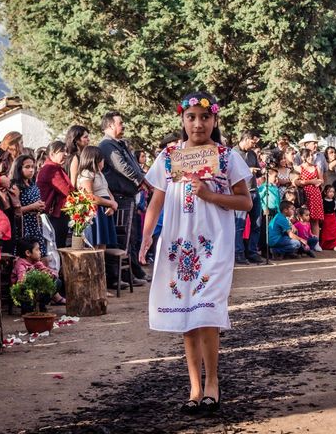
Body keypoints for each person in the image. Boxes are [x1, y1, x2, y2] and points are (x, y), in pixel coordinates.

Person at [138, 91, 252, 414]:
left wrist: (211, 195)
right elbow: (157, 200)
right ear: (182, 120)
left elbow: (246, 201)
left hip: (213, 245)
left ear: (214, 119)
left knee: (207, 313)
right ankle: (194, 386)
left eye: (204, 117)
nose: (198, 123)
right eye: (191, 117)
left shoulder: (227, 157)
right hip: (178, 242)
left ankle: (213, 381)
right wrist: (147, 236)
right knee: (187, 315)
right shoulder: (170, 155)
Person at [99, 112, 150, 283]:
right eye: (120, 123)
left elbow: (132, 164)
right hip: (119, 198)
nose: (124, 125)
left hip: (128, 196)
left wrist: (142, 177)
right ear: (111, 125)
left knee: (131, 237)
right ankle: (117, 276)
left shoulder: (118, 143)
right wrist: (142, 181)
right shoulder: (107, 145)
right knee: (121, 238)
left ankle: (130, 273)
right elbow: (122, 167)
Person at [76, 146, 119, 251]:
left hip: (105, 210)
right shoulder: (86, 173)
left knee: (102, 244)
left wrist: (113, 204)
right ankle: (94, 267)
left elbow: (107, 191)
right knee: (94, 245)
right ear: (95, 160)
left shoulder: (100, 174)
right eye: (102, 159)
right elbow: (89, 197)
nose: (103, 161)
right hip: (95, 212)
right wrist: (110, 203)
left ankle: (101, 266)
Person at [233, 131, 263, 265]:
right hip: (240, 193)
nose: (254, 145)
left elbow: (257, 173)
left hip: (254, 191)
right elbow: (230, 173)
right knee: (239, 225)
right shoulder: (233, 153)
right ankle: (238, 253)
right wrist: (247, 171)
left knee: (256, 224)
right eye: (252, 142)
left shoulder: (252, 154)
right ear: (245, 139)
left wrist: (260, 171)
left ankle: (252, 252)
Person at [36, 141, 74, 249]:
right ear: (52, 154)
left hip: (54, 213)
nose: (66, 154)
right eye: (62, 151)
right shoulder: (51, 169)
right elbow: (66, 191)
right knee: (57, 247)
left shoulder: (54, 167)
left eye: (66, 151)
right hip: (54, 214)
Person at [9, 154, 47, 256]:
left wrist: (40, 206)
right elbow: (15, 211)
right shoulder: (15, 186)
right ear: (18, 168)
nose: (31, 170)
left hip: (36, 224)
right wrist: (33, 206)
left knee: (40, 256)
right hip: (24, 226)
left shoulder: (32, 183)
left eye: (33, 167)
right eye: (27, 167)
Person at [12, 237, 65, 305]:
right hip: (24, 295)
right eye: (37, 250)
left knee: (57, 282)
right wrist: (37, 276)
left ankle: (40, 306)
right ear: (28, 253)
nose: (40, 252)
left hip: (35, 292)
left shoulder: (36, 262)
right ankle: (28, 308)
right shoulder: (20, 265)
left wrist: (50, 275)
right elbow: (22, 282)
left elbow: (49, 271)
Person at [298, 148, 323, 251]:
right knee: (304, 219)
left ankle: (316, 242)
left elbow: (321, 179)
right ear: (303, 157)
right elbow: (298, 181)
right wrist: (311, 181)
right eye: (308, 156)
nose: (311, 158)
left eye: (312, 155)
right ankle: (304, 241)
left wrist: (318, 182)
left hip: (315, 195)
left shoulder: (316, 167)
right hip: (305, 195)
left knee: (315, 219)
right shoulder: (299, 168)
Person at [320, 185, 336, 251]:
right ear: (325, 192)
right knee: (326, 232)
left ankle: (334, 245)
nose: (331, 193)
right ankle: (325, 245)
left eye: (333, 192)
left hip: (333, 218)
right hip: (326, 218)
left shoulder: (335, 201)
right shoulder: (322, 201)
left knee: (334, 232)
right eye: (330, 191)